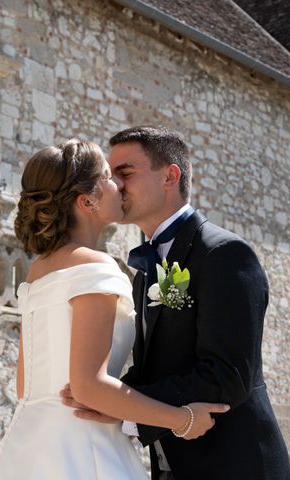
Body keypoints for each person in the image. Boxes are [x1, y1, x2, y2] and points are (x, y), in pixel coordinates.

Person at [0, 139, 228, 480]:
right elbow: (89, 388)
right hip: (84, 447)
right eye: (108, 176)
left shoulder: (39, 269)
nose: (119, 184)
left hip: (31, 444)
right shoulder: (96, 266)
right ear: (88, 200)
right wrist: (183, 419)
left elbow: (26, 386)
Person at [61, 126, 290, 479]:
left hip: (235, 465)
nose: (117, 185)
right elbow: (159, 367)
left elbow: (227, 375)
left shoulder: (225, 254)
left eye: (125, 173)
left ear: (170, 176)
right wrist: (108, 398)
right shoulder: (145, 268)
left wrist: (130, 411)